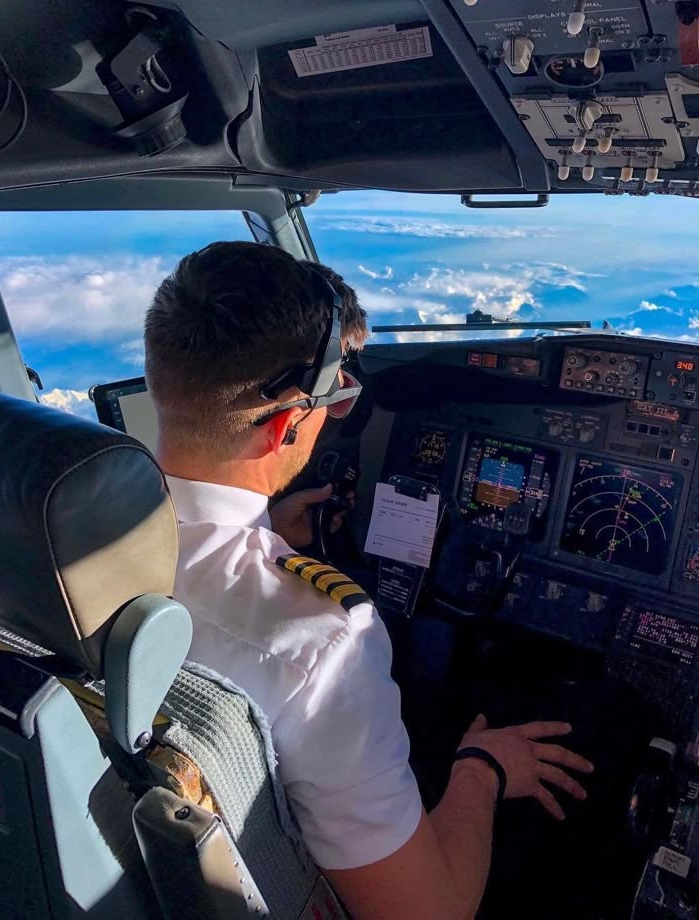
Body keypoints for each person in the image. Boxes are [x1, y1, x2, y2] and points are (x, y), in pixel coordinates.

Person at [144, 241, 593, 920]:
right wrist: (482, 769)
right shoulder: (321, 640)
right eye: (337, 397)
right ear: (289, 422)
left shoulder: (52, 539)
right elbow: (429, 914)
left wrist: (264, 541)